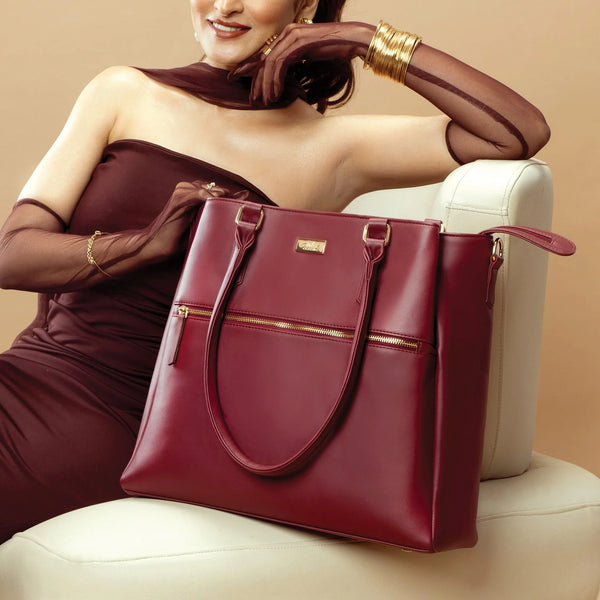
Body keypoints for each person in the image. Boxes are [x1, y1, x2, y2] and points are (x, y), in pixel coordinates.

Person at [0, 0, 550, 543]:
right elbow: (13, 253)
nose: (226, 6)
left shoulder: (332, 148)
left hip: (126, 416)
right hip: (25, 374)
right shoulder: (122, 92)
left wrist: (362, 39)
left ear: (303, 5)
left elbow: (515, 132)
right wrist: (142, 246)